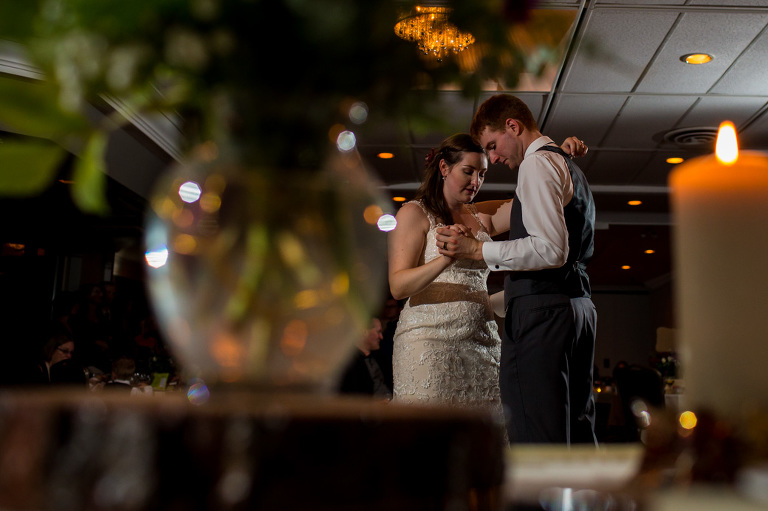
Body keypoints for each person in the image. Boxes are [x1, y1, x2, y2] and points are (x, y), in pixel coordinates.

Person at [435, 94, 597, 445]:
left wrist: (477, 249)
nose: (493, 158)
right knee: (576, 430)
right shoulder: (567, 163)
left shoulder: (537, 165)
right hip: (578, 308)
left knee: (537, 436)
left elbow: (550, 249)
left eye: (492, 145)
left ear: (513, 126)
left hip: (544, 313)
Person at [388, 133, 586, 419]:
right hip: (426, 343)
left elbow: (537, 195)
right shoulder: (413, 213)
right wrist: (447, 257)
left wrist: (559, 157)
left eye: (482, 174)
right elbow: (398, 286)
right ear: (444, 168)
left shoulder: (481, 216)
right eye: (468, 172)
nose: (475, 182)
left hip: (481, 344)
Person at [338, 317, 392, 400]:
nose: (381, 337)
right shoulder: (348, 362)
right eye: (378, 332)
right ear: (364, 332)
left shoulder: (380, 356)